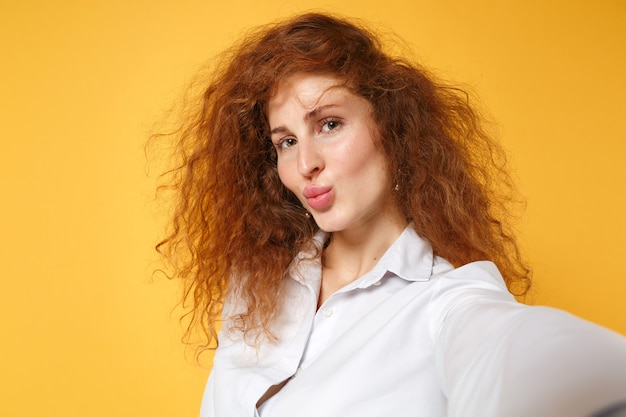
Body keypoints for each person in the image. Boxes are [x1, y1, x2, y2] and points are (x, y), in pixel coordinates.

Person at [156, 12, 626, 417]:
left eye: (330, 124)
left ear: (392, 129)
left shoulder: (447, 299)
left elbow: (512, 347)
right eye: (287, 141)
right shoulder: (257, 280)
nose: (305, 164)